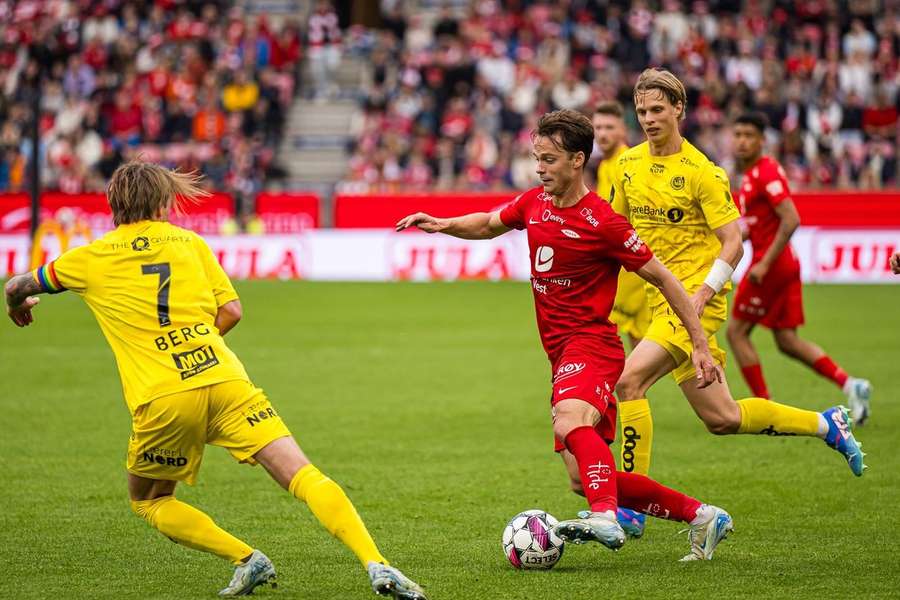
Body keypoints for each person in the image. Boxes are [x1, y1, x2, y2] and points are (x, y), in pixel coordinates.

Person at [4, 161, 426, 600]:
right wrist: (196, 344)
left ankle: (247, 559)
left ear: (113, 204)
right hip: (224, 378)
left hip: (164, 396)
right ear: (164, 201)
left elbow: (19, 283)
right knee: (303, 475)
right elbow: (232, 312)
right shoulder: (191, 243)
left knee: (149, 501)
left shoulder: (88, 258)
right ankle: (377, 562)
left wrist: (17, 303)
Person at [397, 109, 734, 561]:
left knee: (569, 420)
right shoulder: (534, 203)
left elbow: (666, 279)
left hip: (592, 345)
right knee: (583, 478)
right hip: (559, 353)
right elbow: (489, 223)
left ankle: (606, 518)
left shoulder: (604, 222)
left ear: (577, 160)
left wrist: (698, 346)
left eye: (550, 159)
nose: (540, 168)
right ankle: (703, 516)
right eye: (537, 158)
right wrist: (442, 224)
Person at [610, 68, 866, 538]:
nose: (647, 119)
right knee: (722, 418)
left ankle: (630, 506)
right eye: (642, 111)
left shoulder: (703, 172)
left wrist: (703, 293)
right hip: (657, 300)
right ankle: (826, 424)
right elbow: (615, 233)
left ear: (679, 110)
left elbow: (733, 243)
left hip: (694, 302)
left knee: (629, 383)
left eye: (657, 110)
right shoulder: (628, 166)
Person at [726, 112, 872, 423]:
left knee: (736, 332)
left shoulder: (765, 173)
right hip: (783, 264)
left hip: (772, 265)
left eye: (748, 135)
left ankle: (763, 407)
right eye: (737, 134)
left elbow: (791, 218)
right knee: (787, 341)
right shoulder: (753, 174)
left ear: (762, 140)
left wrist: (764, 263)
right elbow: (760, 223)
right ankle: (851, 384)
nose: (741, 141)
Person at [593, 101, 650, 352]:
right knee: (636, 342)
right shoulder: (605, 165)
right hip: (621, 265)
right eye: (598, 127)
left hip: (635, 267)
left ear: (623, 131)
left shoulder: (628, 165)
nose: (603, 133)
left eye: (609, 127)